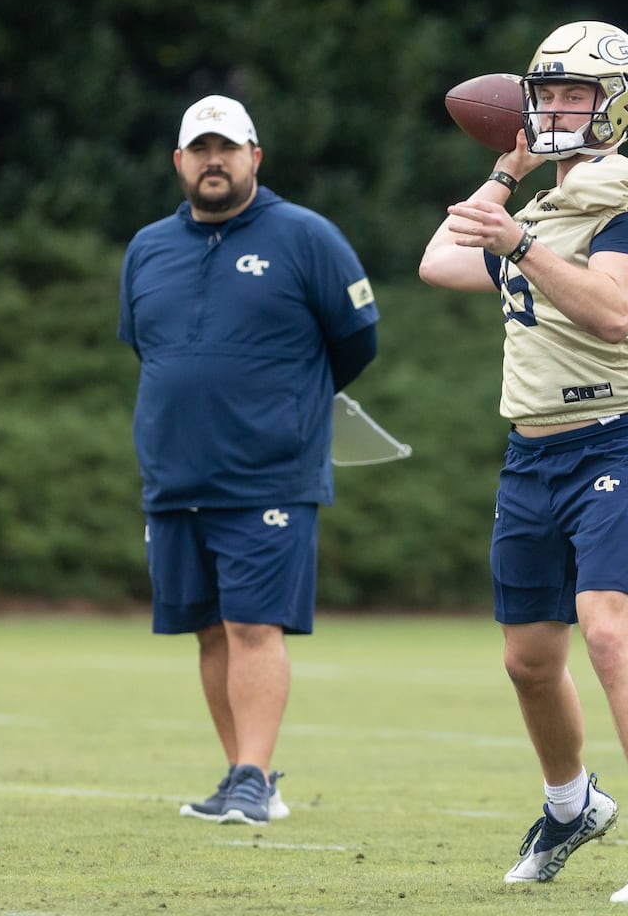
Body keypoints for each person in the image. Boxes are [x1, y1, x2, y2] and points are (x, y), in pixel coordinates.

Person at [418, 22, 628, 902]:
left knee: (611, 634)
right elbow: (437, 262)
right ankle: (572, 802)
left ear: (619, 104)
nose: (552, 108)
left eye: (573, 94)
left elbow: (616, 312)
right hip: (531, 454)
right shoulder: (540, 204)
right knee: (529, 660)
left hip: (619, 440)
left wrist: (518, 243)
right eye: (544, 93)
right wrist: (507, 179)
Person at [118, 94, 379, 825]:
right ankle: (241, 775)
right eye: (199, 149)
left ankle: (254, 778)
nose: (213, 160)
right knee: (206, 628)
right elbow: (145, 343)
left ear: (254, 157)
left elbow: (357, 341)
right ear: (179, 162)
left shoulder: (306, 237)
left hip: (269, 471)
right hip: (175, 474)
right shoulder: (147, 248)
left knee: (253, 626)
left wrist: (287, 406)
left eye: (226, 148)